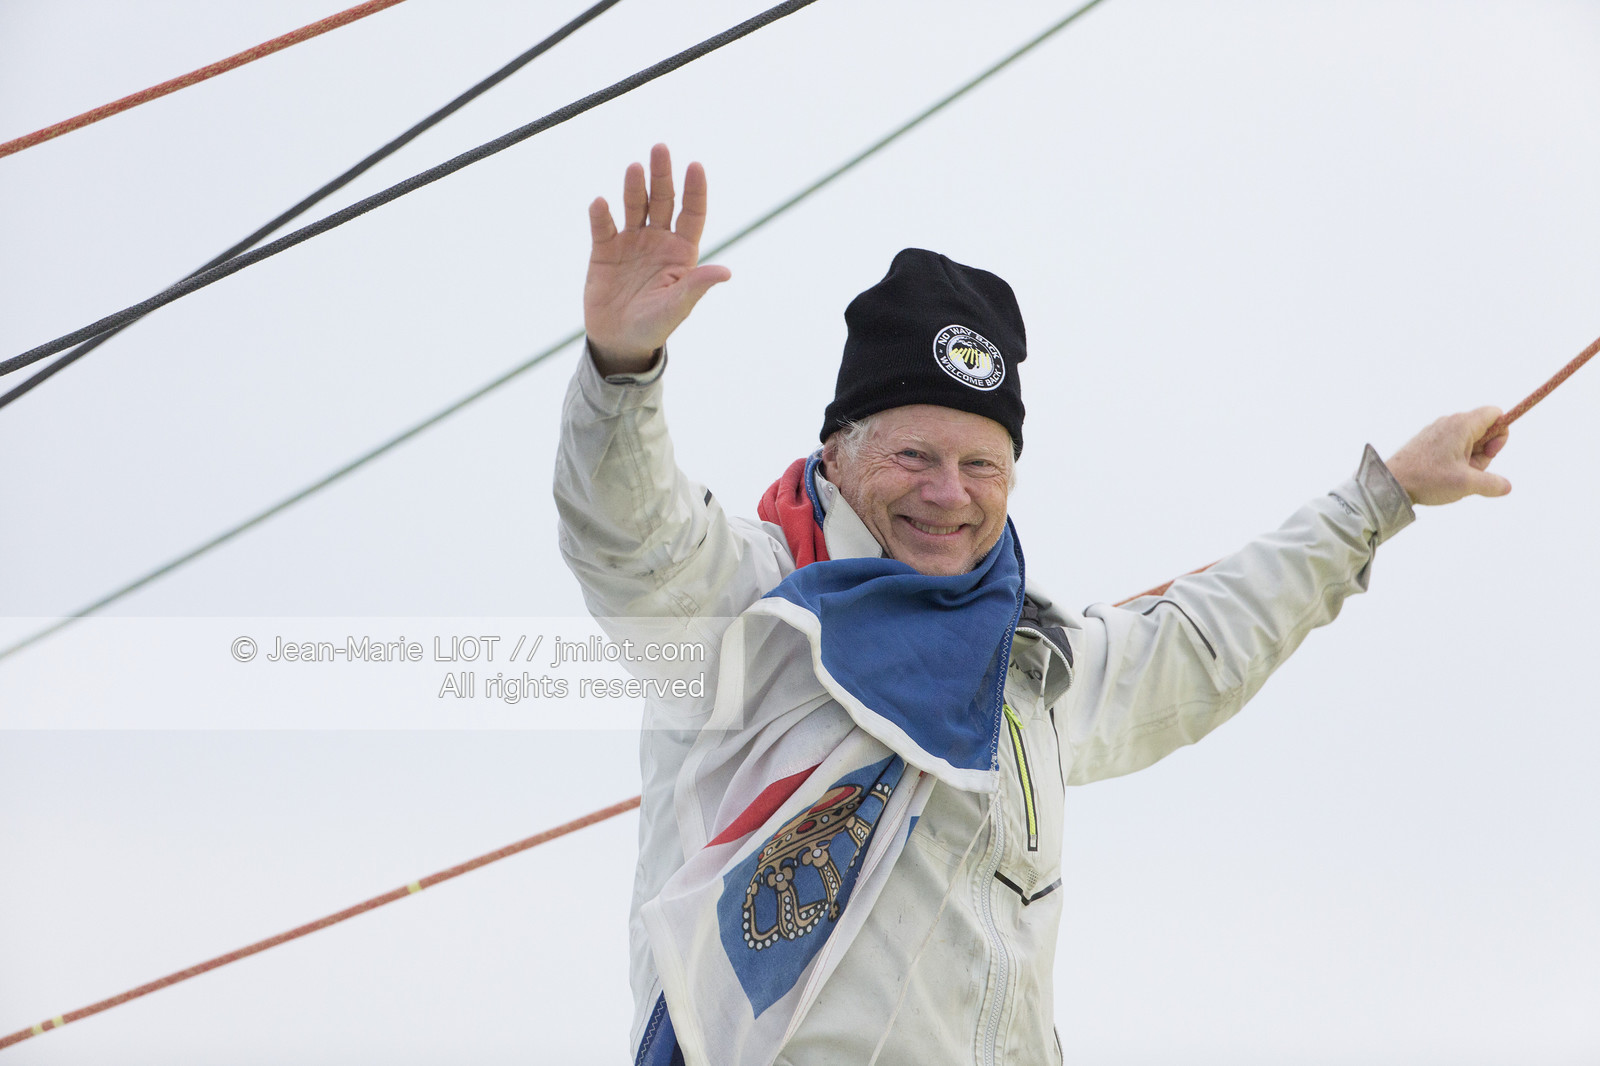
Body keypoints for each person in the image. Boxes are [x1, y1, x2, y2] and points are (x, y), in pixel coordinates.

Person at [553, 145, 1512, 1066]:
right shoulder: (747, 607)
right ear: (838, 456)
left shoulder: (1028, 666)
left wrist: (1382, 499)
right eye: (912, 457)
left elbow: (1204, 639)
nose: (948, 493)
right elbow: (631, 537)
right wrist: (620, 371)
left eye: (981, 465)